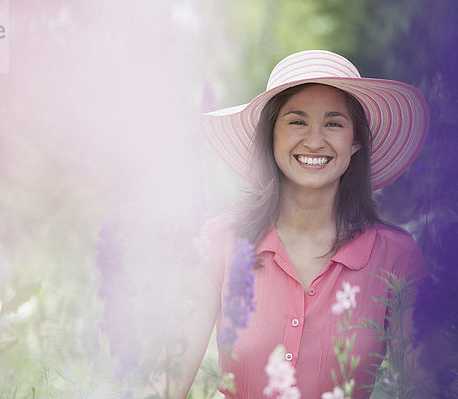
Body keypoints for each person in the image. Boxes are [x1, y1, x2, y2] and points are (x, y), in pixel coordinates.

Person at [168, 50, 430, 398]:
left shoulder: (395, 257)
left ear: (355, 142)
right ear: (271, 135)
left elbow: (423, 386)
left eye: (334, 123)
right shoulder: (223, 241)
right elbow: (168, 381)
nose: (315, 140)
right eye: (297, 121)